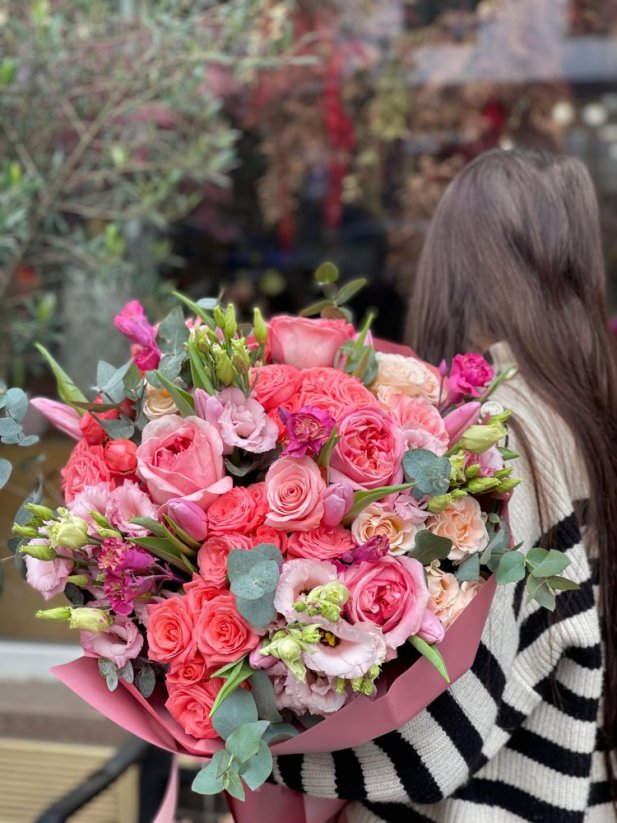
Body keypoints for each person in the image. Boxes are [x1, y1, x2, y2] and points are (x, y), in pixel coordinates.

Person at [269, 149, 617, 821]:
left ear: (455, 268)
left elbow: (444, 740)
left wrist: (255, 743)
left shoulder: (502, 434)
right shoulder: (583, 414)